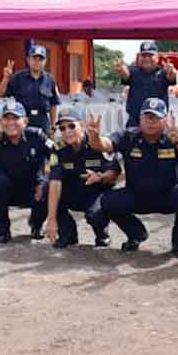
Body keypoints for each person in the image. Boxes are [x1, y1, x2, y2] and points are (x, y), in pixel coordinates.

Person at [88, 97, 178, 258]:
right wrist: (95, 138)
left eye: (156, 117)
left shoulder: (172, 136)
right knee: (108, 201)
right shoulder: (129, 136)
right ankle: (136, 234)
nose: (151, 122)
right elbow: (104, 145)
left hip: (168, 195)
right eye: (147, 117)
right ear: (140, 119)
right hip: (137, 194)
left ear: (164, 120)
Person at [0, 101, 53, 244]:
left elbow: (55, 156)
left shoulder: (37, 136)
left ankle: (36, 225)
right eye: (7, 118)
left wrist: (48, 179)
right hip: (8, 190)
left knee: (48, 187)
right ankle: (3, 230)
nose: (11, 123)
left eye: (15, 118)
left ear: (25, 121)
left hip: (34, 189)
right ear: (0, 121)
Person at [44, 106, 121, 249]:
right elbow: (55, 180)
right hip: (73, 191)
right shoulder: (58, 148)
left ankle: (101, 234)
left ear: (82, 125)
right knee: (46, 189)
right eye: (62, 128)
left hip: (95, 192)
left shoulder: (97, 143)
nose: (67, 131)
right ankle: (68, 234)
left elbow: (115, 171)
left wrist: (100, 177)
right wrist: (51, 219)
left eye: (72, 126)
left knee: (95, 215)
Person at [0, 44, 60, 134]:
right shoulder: (18, 77)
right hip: (22, 120)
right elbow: (0, 95)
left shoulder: (50, 79)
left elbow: (53, 104)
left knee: (44, 146)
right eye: (34, 58)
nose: (37, 62)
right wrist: (6, 78)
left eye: (40, 59)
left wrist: (53, 125)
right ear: (28, 60)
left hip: (42, 121)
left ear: (45, 61)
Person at [115, 41, 177, 127]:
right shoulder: (133, 71)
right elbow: (126, 75)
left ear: (157, 57)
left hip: (158, 121)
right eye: (144, 56)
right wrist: (121, 69)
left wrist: (171, 71)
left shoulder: (163, 73)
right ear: (139, 57)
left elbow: (171, 77)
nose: (147, 59)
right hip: (135, 121)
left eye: (150, 55)